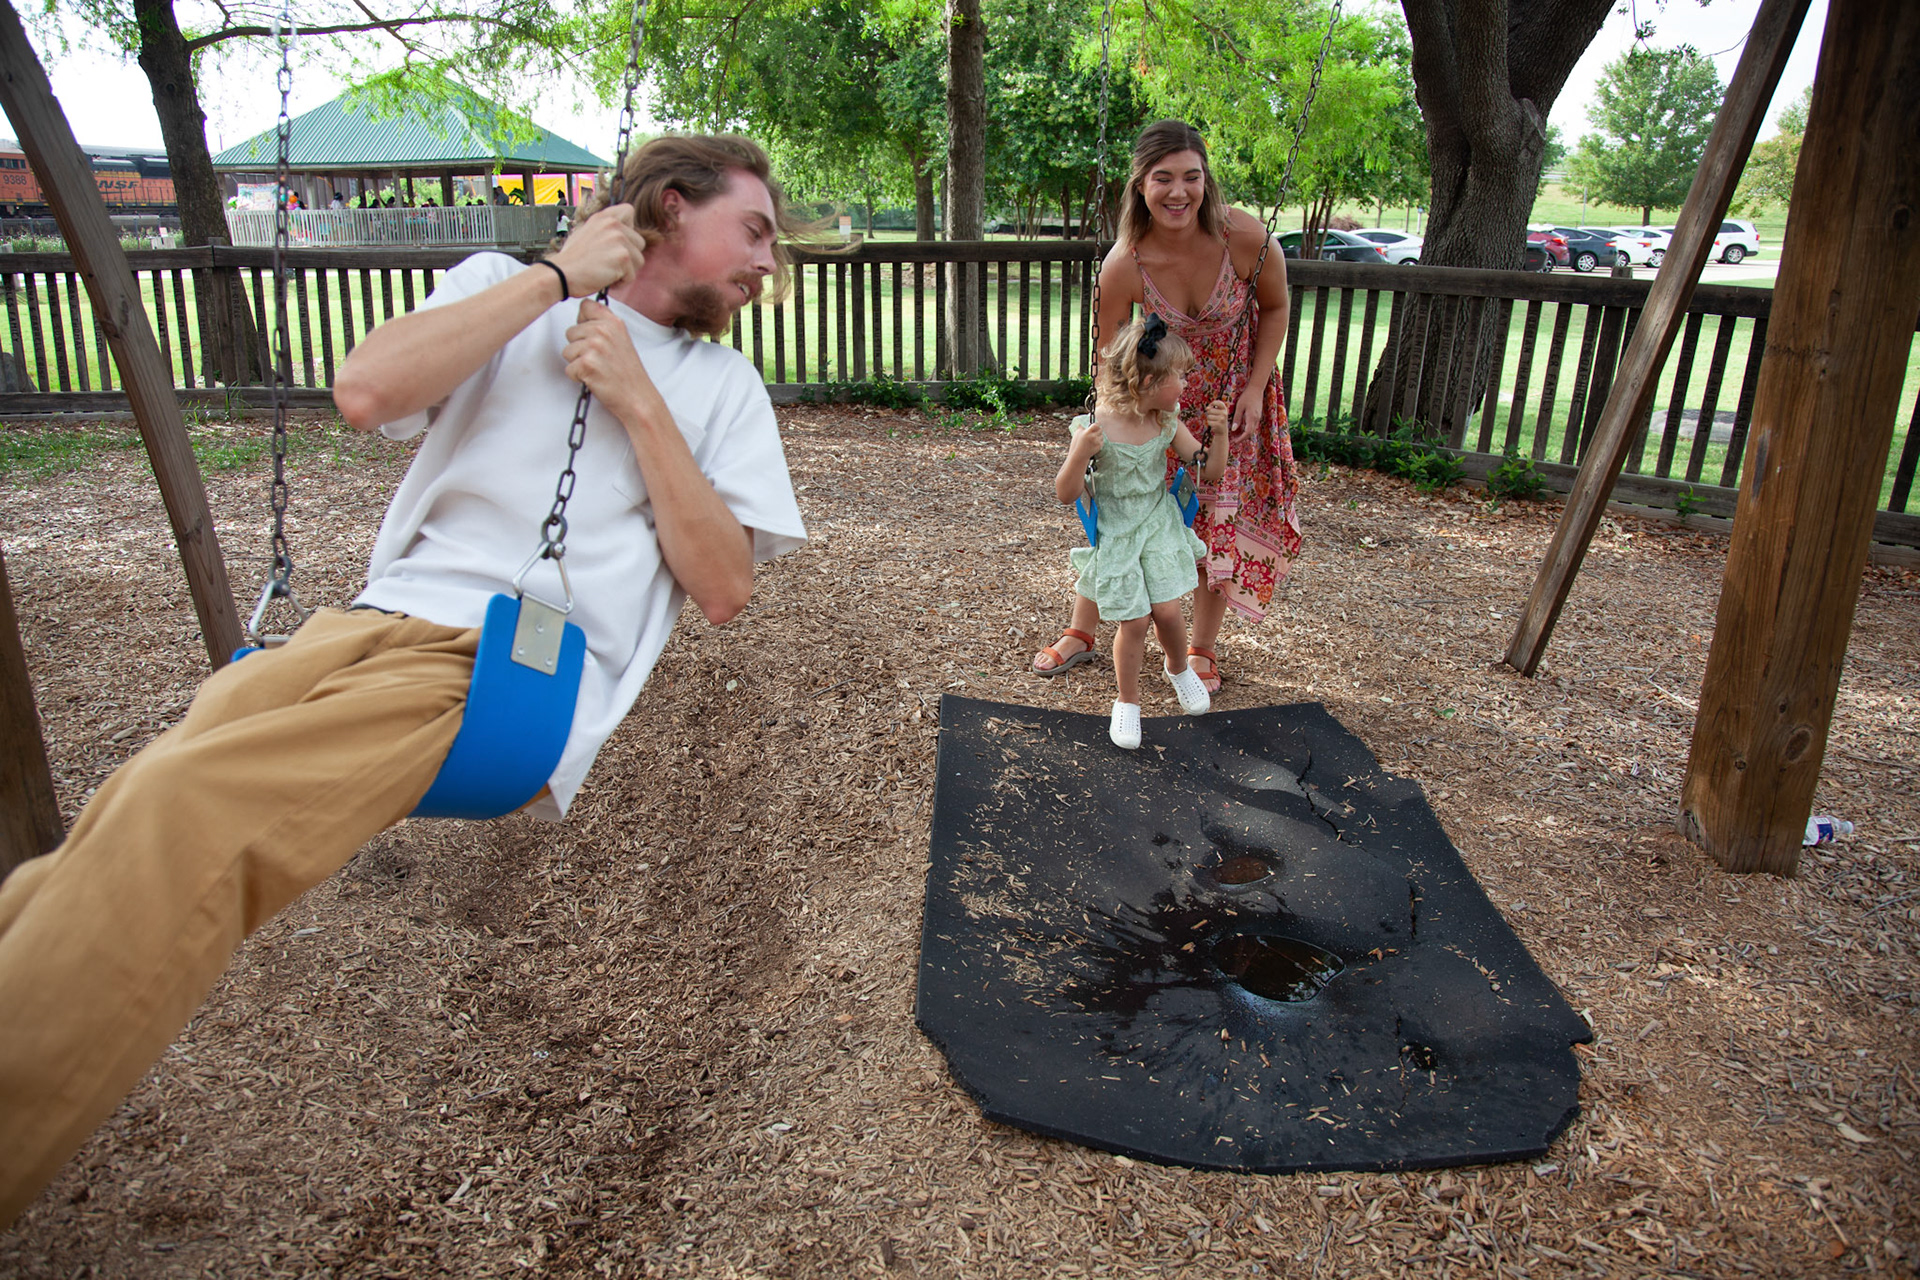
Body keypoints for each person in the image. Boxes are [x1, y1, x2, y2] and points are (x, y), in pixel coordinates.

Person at [0, 133, 809, 1227]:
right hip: (358, 625)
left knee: (183, 810)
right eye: (754, 231)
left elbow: (722, 586)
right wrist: (557, 279)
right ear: (669, 207)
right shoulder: (504, 289)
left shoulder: (722, 387)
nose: (768, 263)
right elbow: (367, 390)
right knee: (124, 807)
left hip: (495, 670)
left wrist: (638, 402)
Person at [1031, 119, 1301, 694]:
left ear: (1206, 180)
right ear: (1140, 184)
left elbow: (1276, 307)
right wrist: (1108, 426)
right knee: (1122, 509)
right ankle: (1082, 630)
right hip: (1154, 405)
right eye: (1163, 178)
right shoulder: (1125, 263)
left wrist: (1255, 389)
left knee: (1215, 517)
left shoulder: (1245, 238)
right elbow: (1108, 356)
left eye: (1191, 177)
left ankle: (1200, 648)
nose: (1179, 192)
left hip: (1233, 404)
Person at [1056, 315, 1228, 749]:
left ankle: (1178, 668)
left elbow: (1209, 470)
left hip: (1157, 524)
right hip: (1118, 531)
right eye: (1179, 377)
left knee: (1168, 611)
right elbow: (1065, 493)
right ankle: (1127, 703)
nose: (1186, 385)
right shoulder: (1093, 426)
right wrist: (1080, 453)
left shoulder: (1166, 422)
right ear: (1148, 381)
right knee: (1133, 621)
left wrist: (1221, 434)